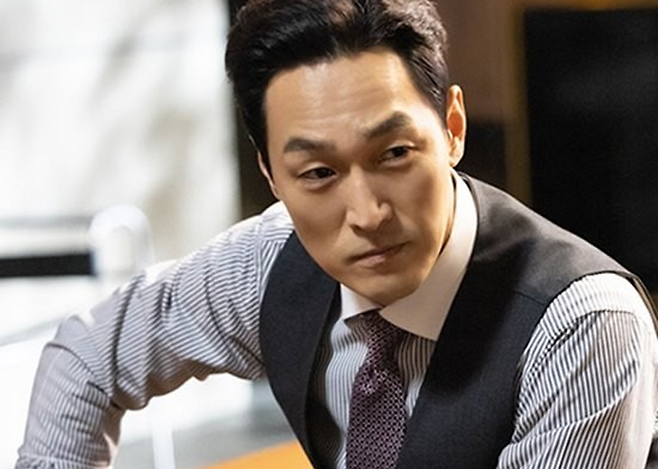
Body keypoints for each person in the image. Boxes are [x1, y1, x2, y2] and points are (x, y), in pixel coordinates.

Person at [16, 0, 658, 468]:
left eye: (395, 154)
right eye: (319, 173)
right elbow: (86, 359)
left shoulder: (580, 327)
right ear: (271, 174)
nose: (368, 213)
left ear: (453, 128)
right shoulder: (271, 261)